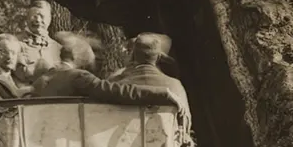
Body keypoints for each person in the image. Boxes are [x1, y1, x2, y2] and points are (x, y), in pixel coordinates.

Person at [32, 33, 183, 110]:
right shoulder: (79, 76)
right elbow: (118, 91)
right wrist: (163, 94)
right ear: (78, 57)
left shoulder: (42, 79)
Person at [113, 33, 191, 127]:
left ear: (133, 56)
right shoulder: (174, 85)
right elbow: (185, 123)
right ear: (159, 58)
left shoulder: (115, 85)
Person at [13, 0, 62, 85]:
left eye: (42, 17)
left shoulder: (58, 48)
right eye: (34, 16)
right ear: (27, 19)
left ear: (49, 19)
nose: (38, 20)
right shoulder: (14, 44)